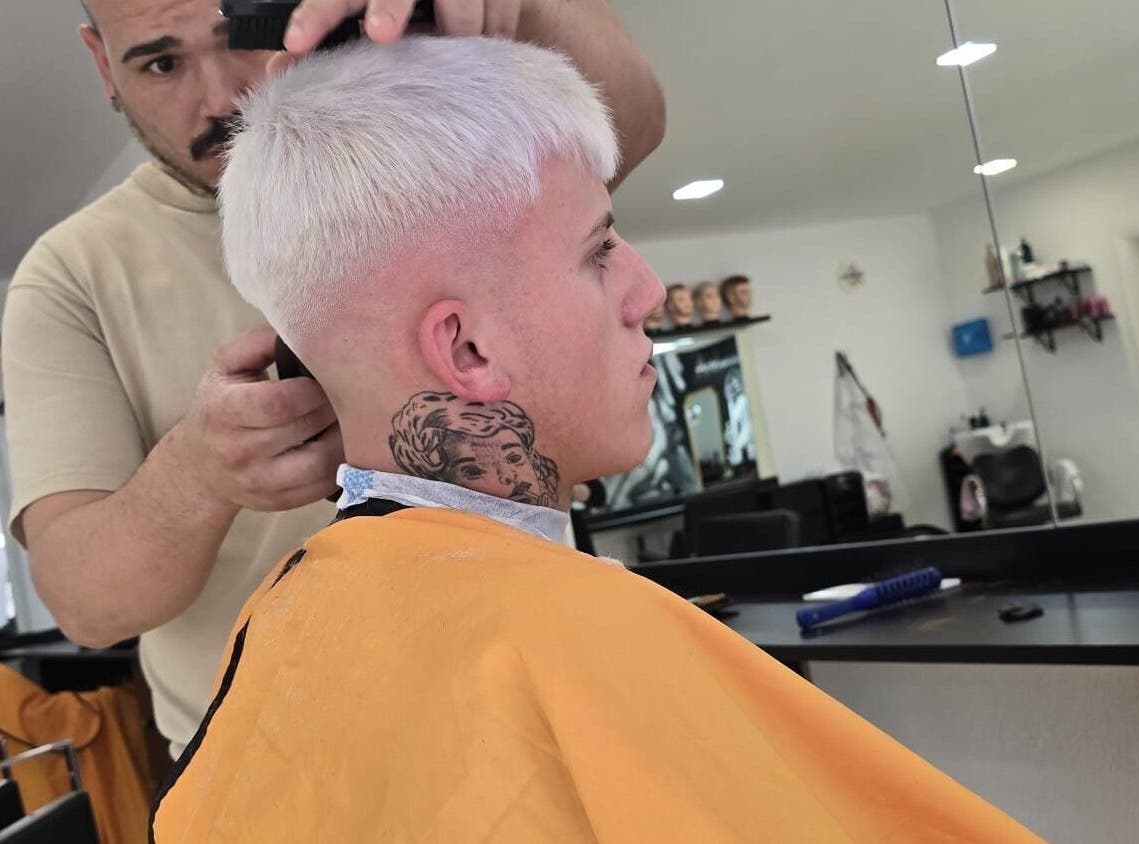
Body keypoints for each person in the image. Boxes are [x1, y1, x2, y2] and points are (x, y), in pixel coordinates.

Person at [152, 39, 1041, 842]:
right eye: (599, 249)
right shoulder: (573, 639)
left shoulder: (283, 619)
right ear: (467, 348)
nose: (648, 289)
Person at [1, 0, 664, 760]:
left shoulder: (417, 139)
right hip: (269, 763)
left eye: (236, 41)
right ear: (99, 63)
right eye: (162, 64)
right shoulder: (69, 279)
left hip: (534, 691)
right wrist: (195, 475)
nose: (223, 99)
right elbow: (85, 605)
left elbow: (627, 122)